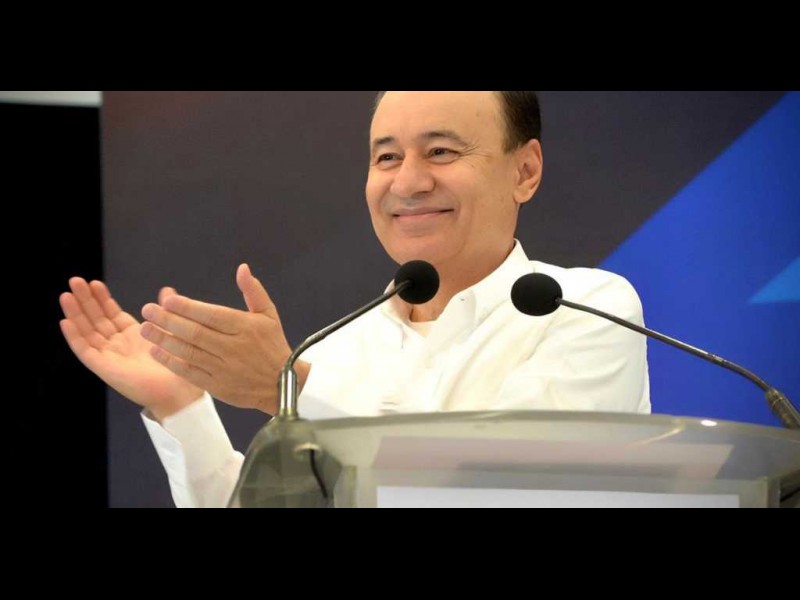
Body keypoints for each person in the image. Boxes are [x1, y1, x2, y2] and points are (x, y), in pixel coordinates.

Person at [60, 91, 650, 507]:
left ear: (525, 170)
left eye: (441, 152)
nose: (408, 182)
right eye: (386, 157)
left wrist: (288, 390)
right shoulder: (333, 352)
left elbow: (511, 491)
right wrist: (181, 407)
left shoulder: (585, 309)